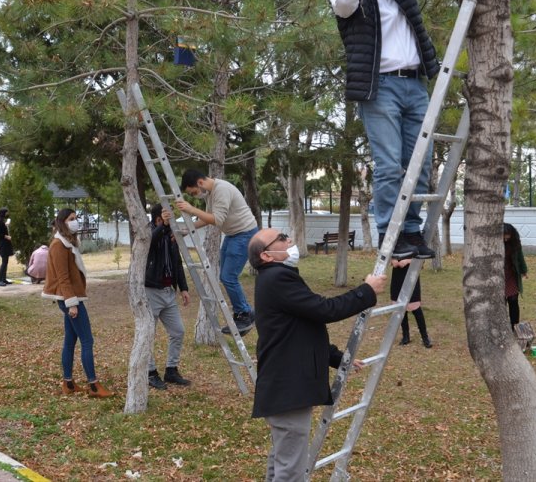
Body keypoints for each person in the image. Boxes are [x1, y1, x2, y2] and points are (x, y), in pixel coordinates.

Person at [330, 0, 439, 261]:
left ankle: (410, 230)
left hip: (414, 84)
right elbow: (345, 2)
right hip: (381, 88)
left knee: (420, 164)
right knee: (390, 164)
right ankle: (387, 233)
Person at [249, 228, 386, 481]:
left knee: (282, 460)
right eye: (281, 238)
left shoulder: (276, 278)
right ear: (266, 256)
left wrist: (337, 358)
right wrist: (366, 291)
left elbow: (302, 328)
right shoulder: (277, 279)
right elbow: (324, 310)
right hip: (288, 390)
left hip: (284, 388)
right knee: (290, 470)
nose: (288, 240)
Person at [41, 208, 114, 398]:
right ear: (62, 222)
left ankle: (69, 383)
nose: (75, 222)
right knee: (87, 340)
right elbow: (63, 277)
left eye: (76, 218)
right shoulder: (59, 244)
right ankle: (93, 385)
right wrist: (71, 303)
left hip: (70, 297)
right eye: (71, 219)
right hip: (69, 298)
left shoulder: (68, 243)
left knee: (70, 340)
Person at [176, 169, 257, 334]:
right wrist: (186, 230)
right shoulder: (211, 193)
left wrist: (191, 209)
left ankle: (244, 314)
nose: (195, 196)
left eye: (193, 192)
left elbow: (216, 219)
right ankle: (246, 312)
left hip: (244, 234)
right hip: (233, 234)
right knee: (225, 276)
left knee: (228, 277)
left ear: (200, 183)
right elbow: (207, 218)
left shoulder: (221, 190)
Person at [145, 203, 191, 389]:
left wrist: (184, 288)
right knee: (148, 334)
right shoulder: (148, 233)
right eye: (166, 218)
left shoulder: (171, 235)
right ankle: (150, 372)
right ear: (158, 219)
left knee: (178, 331)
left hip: (168, 292)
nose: (172, 222)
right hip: (151, 292)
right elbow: (151, 242)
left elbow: (177, 263)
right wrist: (163, 226)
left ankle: (171, 370)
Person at [390, 258, 432, 348]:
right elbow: (388, 254)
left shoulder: (416, 243)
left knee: (415, 307)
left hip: (411, 275)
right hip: (397, 276)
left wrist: (407, 261)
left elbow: (421, 258)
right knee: (400, 307)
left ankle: (425, 337)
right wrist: (393, 260)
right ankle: (405, 336)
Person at [503, 223, 529, 329]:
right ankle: (501, 325)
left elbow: (520, 257)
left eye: (507, 235)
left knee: (513, 300)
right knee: (500, 302)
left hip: (511, 274)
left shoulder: (515, 243)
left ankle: (515, 326)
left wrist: (524, 271)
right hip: (498, 276)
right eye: (503, 235)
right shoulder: (495, 243)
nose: (505, 237)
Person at [0, 208, 13, 286]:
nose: (7, 214)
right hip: (3, 244)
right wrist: (6, 237)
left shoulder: (2, 222)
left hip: (6, 244)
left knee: (6, 262)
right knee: (4, 262)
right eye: (6, 213)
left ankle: (4, 279)